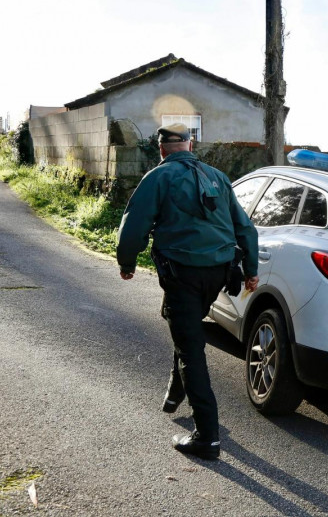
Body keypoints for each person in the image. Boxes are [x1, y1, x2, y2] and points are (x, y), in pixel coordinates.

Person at [117, 123, 258, 461]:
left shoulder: (158, 177)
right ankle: (172, 396)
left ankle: (207, 436)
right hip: (220, 273)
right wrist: (251, 269)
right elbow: (244, 226)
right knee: (185, 326)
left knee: (190, 348)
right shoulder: (218, 177)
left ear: (162, 149)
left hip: (183, 273)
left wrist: (127, 262)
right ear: (190, 145)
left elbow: (134, 224)